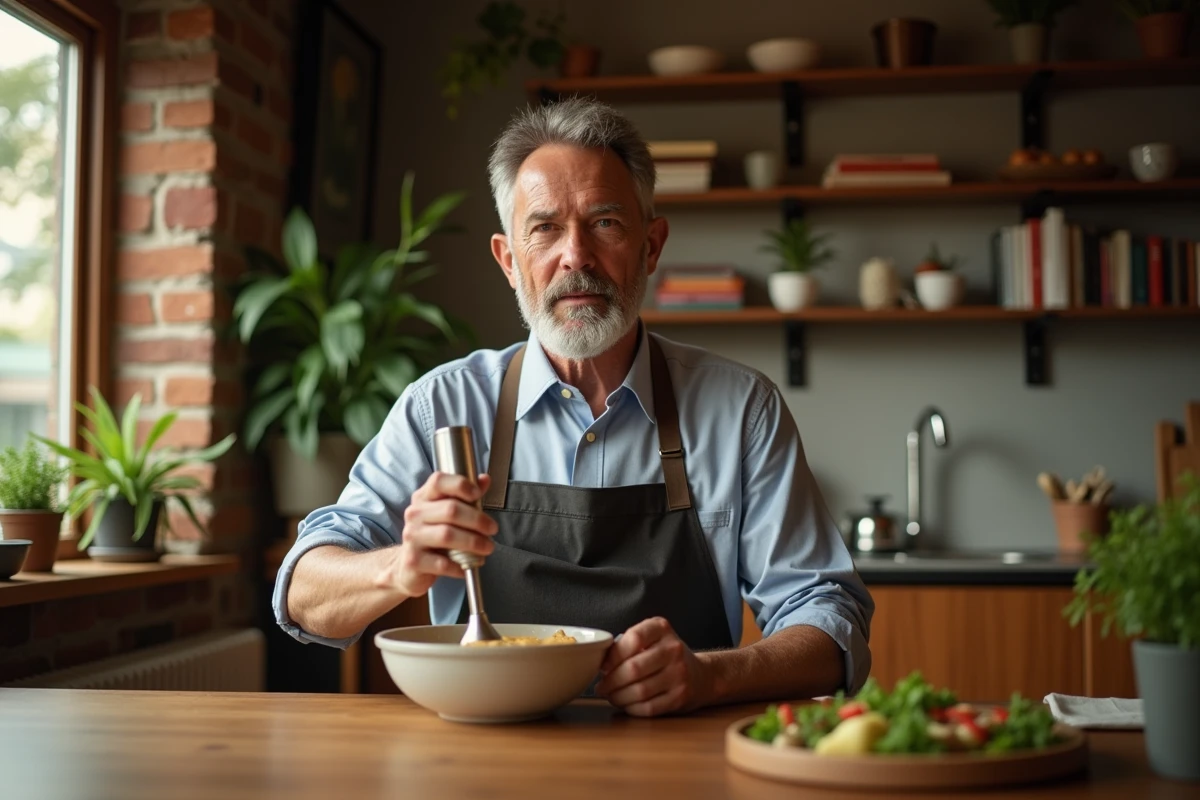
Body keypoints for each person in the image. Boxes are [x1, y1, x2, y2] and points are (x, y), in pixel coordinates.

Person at [274, 97, 873, 717]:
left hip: (676, 760)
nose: (577, 256)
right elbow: (303, 595)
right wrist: (400, 565)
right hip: (476, 764)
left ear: (651, 246)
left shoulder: (742, 410)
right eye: (545, 229)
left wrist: (713, 676)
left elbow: (830, 619)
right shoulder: (441, 407)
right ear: (510, 261)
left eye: (606, 223)